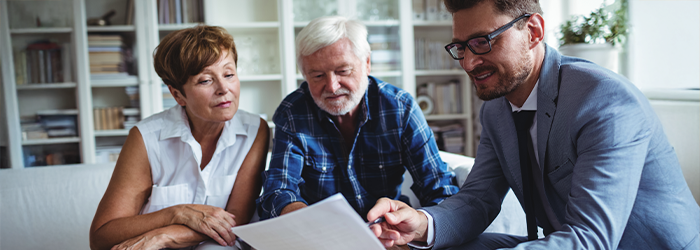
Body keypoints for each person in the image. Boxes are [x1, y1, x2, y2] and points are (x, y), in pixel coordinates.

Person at [367, 0, 700, 249]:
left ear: (534, 31)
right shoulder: (497, 110)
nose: (469, 62)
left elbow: (590, 239)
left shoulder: (604, 100)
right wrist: (420, 224)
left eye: (483, 41)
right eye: (461, 47)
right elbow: (477, 200)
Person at [257, 16, 459, 222]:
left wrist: (416, 228)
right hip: (321, 233)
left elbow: (439, 188)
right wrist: (305, 219)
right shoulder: (292, 112)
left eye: (343, 71)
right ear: (305, 74)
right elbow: (278, 190)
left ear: (367, 63)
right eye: (317, 75)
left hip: (387, 230)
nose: (332, 86)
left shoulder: (400, 108)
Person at [89, 25, 269, 250]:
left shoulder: (255, 130)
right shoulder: (146, 138)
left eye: (229, 74)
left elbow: (235, 221)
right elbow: (101, 237)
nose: (224, 88)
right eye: (205, 80)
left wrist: (163, 236)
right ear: (177, 94)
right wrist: (176, 213)